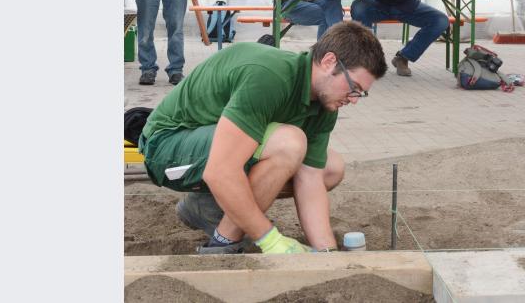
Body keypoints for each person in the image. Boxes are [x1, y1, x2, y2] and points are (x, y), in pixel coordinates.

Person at [139, 22, 387, 254]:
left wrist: (326, 254)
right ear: (329, 61)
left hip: (212, 150)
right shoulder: (270, 76)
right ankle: (223, 244)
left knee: (329, 168)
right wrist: (271, 241)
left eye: (361, 94)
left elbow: (310, 179)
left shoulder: (325, 103)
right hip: (167, 147)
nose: (353, 100)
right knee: (289, 143)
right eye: (353, 87)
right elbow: (220, 171)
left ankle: (208, 208)